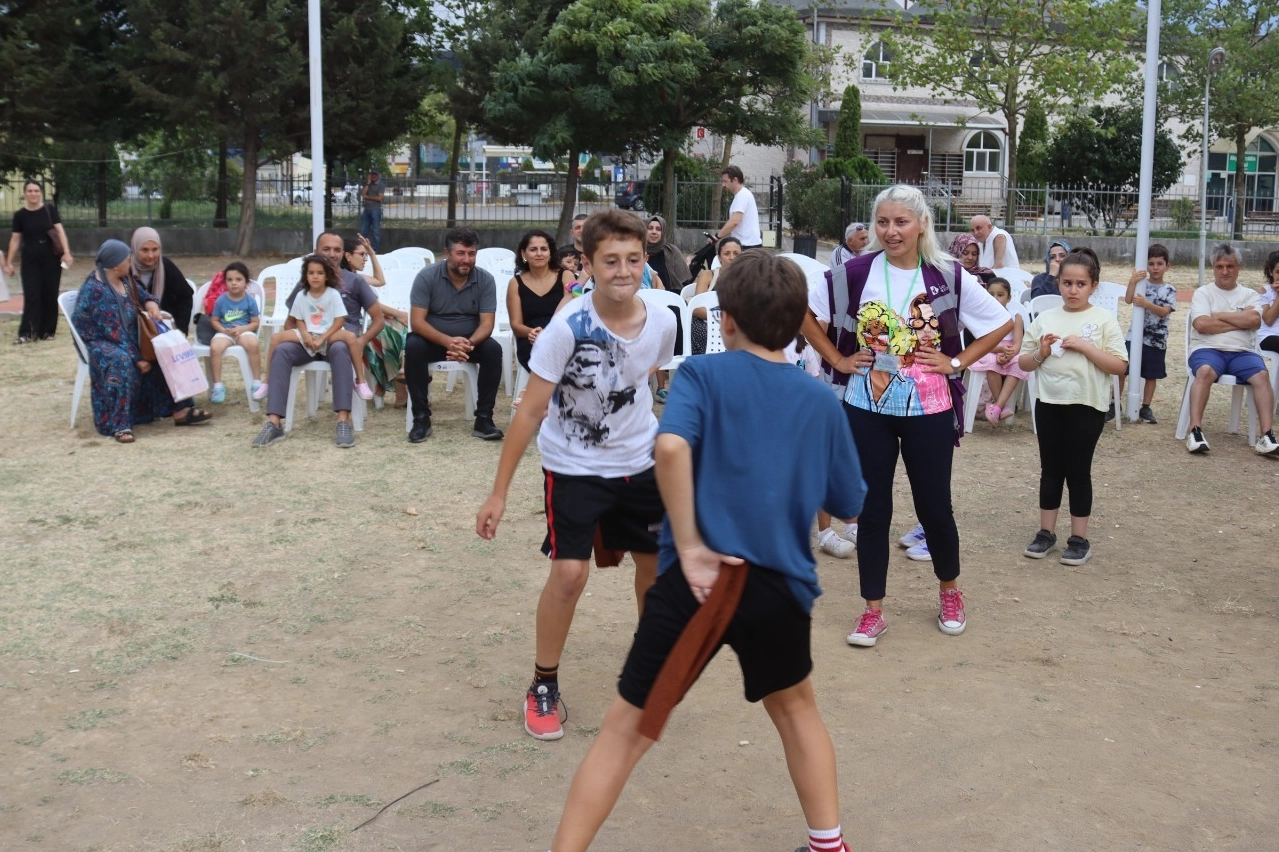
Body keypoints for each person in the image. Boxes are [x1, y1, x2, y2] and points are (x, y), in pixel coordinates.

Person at [543, 252, 865, 852]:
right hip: (781, 587)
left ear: (728, 320)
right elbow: (849, 503)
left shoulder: (702, 375)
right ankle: (830, 845)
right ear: (799, 326)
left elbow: (668, 450)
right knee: (797, 711)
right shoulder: (820, 400)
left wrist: (689, 545)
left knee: (624, 732)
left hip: (702, 582)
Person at [475, 210, 676, 743]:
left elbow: (646, 384)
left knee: (656, 570)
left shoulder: (662, 321)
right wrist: (498, 492)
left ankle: (647, 674)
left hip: (640, 464)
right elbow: (528, 412)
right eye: (610, 260)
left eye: (633, 259)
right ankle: (543, 684)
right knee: (569, 576)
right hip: (574, 466)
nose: (623, 270)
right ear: (587, 265)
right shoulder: (566, 329)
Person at [800, 184, 1012, 647]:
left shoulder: (948, 275)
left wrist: (956, 362)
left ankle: (950, 592)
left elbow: (1001, 323)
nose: (891, 231)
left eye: (901, 222)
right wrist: (838, 359)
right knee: (871, 508)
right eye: (883, 222)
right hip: (866, 406)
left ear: (922, 226)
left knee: (934, 504)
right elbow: (805, 314)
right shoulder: (854, 272)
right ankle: (872, 610)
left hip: (930, 407)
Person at [1017, 249, 1129, 566]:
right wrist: (1040, 352)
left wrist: (1086, 346)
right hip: (1049, 403)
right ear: (1058, 283)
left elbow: (1120, 366)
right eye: (1067, 283)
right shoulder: (1045, 319)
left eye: (1081, 283)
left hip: (1087, 406)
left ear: (1093, 285)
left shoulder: (1103, 320)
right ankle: (1045, 533)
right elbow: (1024, 363)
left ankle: (1079, 539)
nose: (1073, 290)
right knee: (1051, 471)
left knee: (1078, 472)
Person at [70, 239, 211, 442]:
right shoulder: (96, 291)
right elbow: (113, 334)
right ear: (115, 264)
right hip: (101, 342)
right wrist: (138, 358)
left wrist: (151, 305)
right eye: (127, 260)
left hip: (126, 337)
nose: (130, 263)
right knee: (121, 361)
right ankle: (119, 424)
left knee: (164, 350)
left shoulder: (125, 280)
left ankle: (181, 409)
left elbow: (146, 296)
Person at [251, 232, 372, 449]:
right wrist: (298, 339)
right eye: (326, 249)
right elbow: (292, 320)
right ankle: (273, 423)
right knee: (282, 350)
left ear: (343, 253)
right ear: (316, 252)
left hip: (337, 340)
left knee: (343, 347)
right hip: (308, 341)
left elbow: (378, 318)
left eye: (337, 250)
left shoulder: (355, 281)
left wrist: (361, 340)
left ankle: (343, 421)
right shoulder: (307, 283)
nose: (332, 254)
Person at [404, 227, 506, 442]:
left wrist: (467, 344)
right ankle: (421, 418)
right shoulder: (427, 277)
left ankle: (484, 419)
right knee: (413, 346)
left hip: (470, 341)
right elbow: (417, 322)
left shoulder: (485, 280)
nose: (466, 260)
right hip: (433, 339)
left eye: (471, 254)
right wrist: (448, 342)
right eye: (460, 253)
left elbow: (487, 324)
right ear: (447, 253)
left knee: (493, 350)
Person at [1183, 243, 1279, 456]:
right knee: (1205, 371)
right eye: (1219, 267)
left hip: (1242, 352)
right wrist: (1239, 319)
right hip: (1207, 348)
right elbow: (1201, 325)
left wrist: (1217, 315)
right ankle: (1195, 430)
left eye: (1230, 266)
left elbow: (1255, 319)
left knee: (1262, 375)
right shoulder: (1203, 293)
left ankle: (1267, 435)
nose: (1225, 271)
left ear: (1239, 267)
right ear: (1213, 268)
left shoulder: (1249, 294)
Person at [6, 180, 73, 343]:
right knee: (31, 295)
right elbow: (15, 240)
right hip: (30, 259)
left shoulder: (49, 210)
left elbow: (59, 231)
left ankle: (47, 331)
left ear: (41, 192)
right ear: (24, 194)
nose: (33, 194)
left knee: (50, 293)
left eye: (36, 191)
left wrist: (67, 252)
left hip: (51, 258)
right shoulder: (20, 215)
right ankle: (27, 332)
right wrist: (9, 262)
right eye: (29, 191)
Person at [1119, 243, 1177, 424]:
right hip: (1134, 337)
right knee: (1122, 368)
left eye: (1159, 264)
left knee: (1151, 374)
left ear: (1167, 266)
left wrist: (1146, 304)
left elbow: (1163, 312)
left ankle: (1146, 406)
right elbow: (1128, 300)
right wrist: (1132, 281)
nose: (1155, 268)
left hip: (1156, 340)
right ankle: (1115, 403)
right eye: (1151, 264)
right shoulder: (1141, 284)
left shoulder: (1170, 290)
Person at [508, 229, 570, 376]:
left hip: (562, 337)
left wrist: (550, 334)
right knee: (542, 354)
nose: (539, 254)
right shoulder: (515, 283)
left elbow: (572, 313)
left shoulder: (566, 276)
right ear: (524, 254)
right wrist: (530, 332)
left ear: (550, 253)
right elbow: (516, 325)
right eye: (533, 249)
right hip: (531, 341)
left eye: (544, 249)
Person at [970, 277, 1031, 425]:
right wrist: (1000, 349)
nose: (995, 299)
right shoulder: (983, 316)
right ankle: (1001, 407)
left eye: (1000, 295)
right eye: (991, 295)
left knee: (1019, 363)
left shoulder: (1015, 316)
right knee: (991, 362)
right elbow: (981, 343)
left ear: (1009, 298)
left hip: (1010, 350)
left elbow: (1017, 342)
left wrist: (1010, 352)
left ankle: (997, 407)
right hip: (988, 349)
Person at [207, 261, 262, 403]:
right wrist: (223, 330)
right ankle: (218, 386)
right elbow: (214, 320)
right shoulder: (221, 300)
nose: (234, 283)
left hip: (243, 330)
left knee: (253, 344)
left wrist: (242, 329)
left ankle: (256, 382)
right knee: (215, 347)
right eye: (229, 280)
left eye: (238, 279)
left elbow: (255, 322)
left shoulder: (250, 301)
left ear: (246, 282)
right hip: (225, 331)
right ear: (225, 282)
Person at [127, 227, 193, 335]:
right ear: (135, 248)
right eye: (144, 250)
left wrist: (180, 331)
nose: (151, 255)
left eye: (155, 249)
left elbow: (185, 298)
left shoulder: (166, 267)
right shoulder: (126, 269)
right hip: (135, 331)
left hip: (166, 329)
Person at [690, 237, 742, 354]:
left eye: (736, 253)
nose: (732, 257)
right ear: (719, 257)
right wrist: (720, 320)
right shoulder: (708, 275)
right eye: (727, 254)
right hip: (706, 323)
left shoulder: (747, 278)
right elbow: (697, 308)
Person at [644, 214, 692, 293]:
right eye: (650, 228)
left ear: (663, 232)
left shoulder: (672, 251)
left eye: (658, 229)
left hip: (670, 297)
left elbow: (684, 282)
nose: (654, 232)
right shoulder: (638, 252)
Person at [717, 165, 762, 249]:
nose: (723, 185)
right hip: (746, 244)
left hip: (747, 245)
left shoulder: (742, 195)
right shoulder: (741, 195)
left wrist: (717, 237)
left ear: (735, 180)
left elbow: (734, 221)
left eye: (725, 181)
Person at [359, 170, 385, 251]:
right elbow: (363, 194)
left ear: (378, 175)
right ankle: (362, 248)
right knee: (363, 231)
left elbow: (379, 198)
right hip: (367, 210)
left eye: (375, 174)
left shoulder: (381, 185)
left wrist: (368, 197)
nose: (374, 176)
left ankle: (375, 250)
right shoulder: (368, 184)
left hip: (376, 210)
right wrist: (368, 183)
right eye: (372, 174)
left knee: (375, 232)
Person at [1259, 249, 1279, 356]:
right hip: (1267, 335)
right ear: (1271, 272)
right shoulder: (1264, 291)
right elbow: (1268, 320)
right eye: (1278, 272)